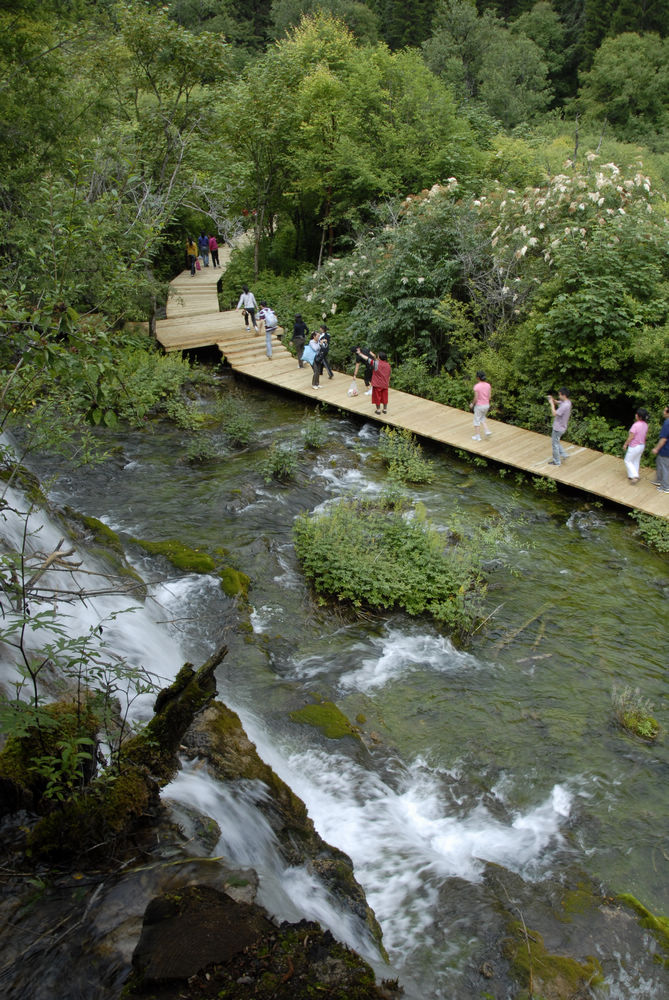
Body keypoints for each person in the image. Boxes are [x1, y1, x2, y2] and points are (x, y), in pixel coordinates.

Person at [356, 348, 391, 415]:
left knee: (377, 397)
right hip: (385, 384)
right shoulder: (388, 365)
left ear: (379, 358)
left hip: (377, 384)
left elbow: (367, 359)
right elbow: (389, 375)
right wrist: (388, 383)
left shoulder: (376, 363)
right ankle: (385, 409)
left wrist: (360, 354)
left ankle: (378, 410)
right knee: (384, 397)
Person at [623, 407, 649, 482]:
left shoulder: (636, 425)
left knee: (627, 461)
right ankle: (632, 475)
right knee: (636, 460)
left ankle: (635, 475)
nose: (635, 415)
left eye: (636, 414)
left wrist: (625, 444)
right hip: (641, 445)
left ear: (639, 416)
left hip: (634, 446)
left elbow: (631, 436)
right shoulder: (645, 425)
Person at [547, 388, 571, 466]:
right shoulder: (568, 402)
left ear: (563, 395)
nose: (559, 396)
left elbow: (554, 413)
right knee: (556, 441)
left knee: (555, 444)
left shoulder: (564, 406)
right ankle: (564, 454)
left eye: (559, 394)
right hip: (562, 427)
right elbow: (559, 402)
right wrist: (553, 400)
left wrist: (551, 404)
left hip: (558, 428)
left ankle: (556, 462)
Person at [651, 404, 669, 493]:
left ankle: (665, 487)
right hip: (665, 450)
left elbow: (663, 439)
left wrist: (656, 448)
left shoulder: (667, 423)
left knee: (665, 467)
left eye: (665, 410)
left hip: (666, 450)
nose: (663, 412)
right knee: (659, 463)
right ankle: (659, 480)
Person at [471, 370, 492, 441]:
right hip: (486, 405)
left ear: (478, 378)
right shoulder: (488, 385)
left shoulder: (477, 386)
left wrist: (472, 404)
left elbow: (476, 398)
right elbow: (489, 397)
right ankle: (487, 431)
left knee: (476, 420)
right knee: (482, 418)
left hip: (479, 406)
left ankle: (478, 436)